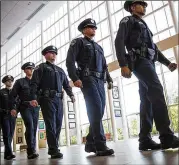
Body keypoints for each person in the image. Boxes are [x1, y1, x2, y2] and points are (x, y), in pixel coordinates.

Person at [115, 0, 178, 151]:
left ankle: (144, 139)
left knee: (147, 100)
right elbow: (119, 40)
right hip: (139, 61)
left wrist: (167, 63)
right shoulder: (128, 20)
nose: (143, 6)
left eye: (144, 5)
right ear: (132, 7)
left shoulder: (144, 26)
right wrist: (123, 64)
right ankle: (166, 136)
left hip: (148, 62)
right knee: (156, 89)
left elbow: (154, 49)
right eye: (140, 4)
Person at [66, 18, 114, 156]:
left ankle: (90, 143)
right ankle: (100, 144)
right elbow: (70, 61)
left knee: (99, 111)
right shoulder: (78, 42)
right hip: (87, 79)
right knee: (95, 109)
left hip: (100, 80)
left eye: (94, 27)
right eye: (90, 27)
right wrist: (75, 78)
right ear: (83, 30)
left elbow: (104, 66)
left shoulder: (99, 47)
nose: (94, 29)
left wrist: (109, 79)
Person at [29, 45, 75, 159]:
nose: (53, 55)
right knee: (51, 124)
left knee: (58, 124)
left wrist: (71, 94)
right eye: (51, 53)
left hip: (59, 100)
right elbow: (34, 83)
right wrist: (33, 97)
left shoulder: (60, 70)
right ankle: (53, 149)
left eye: (55, 53)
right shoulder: (41, 68)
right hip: (47, 99)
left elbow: (66, 84)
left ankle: (54, 147)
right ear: (45, 55)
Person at [10, 62, 40, 159]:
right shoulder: (20, 82)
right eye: (28, 68)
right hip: (24, 107)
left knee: (34, 128)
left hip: (35, 108)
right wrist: (13, 108)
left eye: (32, 68)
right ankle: (30, 151)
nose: (31, 70)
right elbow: (13, 96)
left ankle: (33, 149)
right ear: (24, 70)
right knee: (30, 126)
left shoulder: (37, 82)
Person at [0, 75, 16, 160]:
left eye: (11, 81)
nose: (10, 82)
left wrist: (15, 110)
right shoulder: (1, 92)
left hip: (13, 116)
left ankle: (7, 154)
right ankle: (9, 152)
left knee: (10, 134)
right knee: (6, 134)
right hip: (4, 115)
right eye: (8, 81)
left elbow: (17, 103)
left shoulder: (15, 92)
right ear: (5, 82)